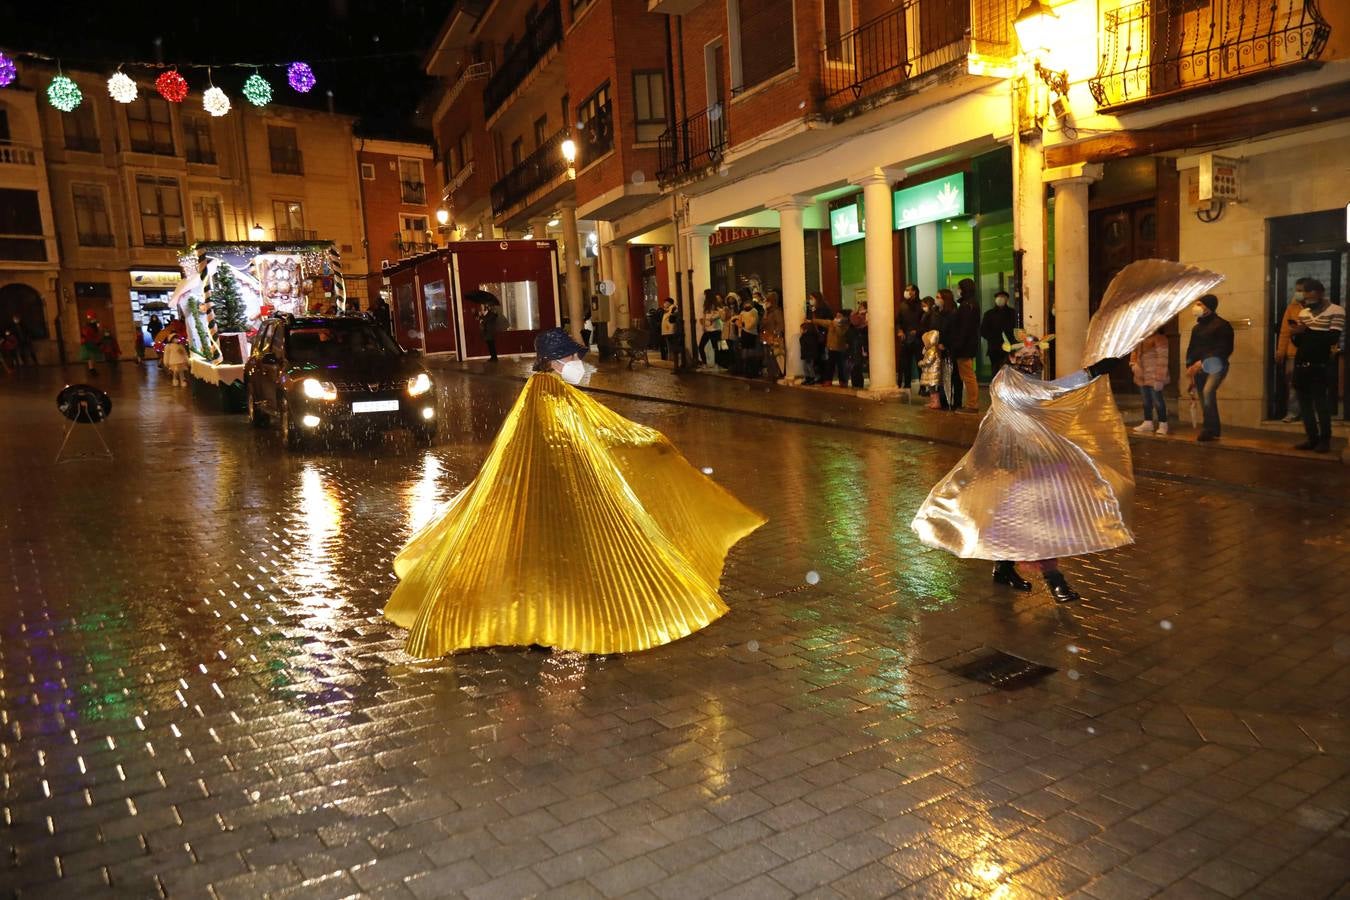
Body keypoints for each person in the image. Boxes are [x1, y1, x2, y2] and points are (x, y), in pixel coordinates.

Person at [382, 328, 766, 657]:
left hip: (538, 501)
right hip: (560, 501)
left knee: (538, 566)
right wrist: (650, 439)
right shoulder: (553, 395)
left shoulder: (536, 391)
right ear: (553, 361)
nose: (578, 363)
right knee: (580, 563)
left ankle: (538, 628)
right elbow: (601, 428)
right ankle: (581, 627)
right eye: (570, 357)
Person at [913, 260, 1223, 605]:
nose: (1032, 362)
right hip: (1008, 466)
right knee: (1033, 521)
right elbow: (1049, 393)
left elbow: (1049, 392)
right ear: (1013, 359)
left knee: (1021, 518)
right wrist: (1091, 372)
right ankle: (1054, 579)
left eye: (1036, 357)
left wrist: (1093, 372)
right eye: (1026, 357)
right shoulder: (1006, 383)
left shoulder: (1029, 381)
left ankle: (1004, 568)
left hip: (1032, 465)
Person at [1289, 279, 1344, 453]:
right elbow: (1300, 343)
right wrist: (1295, 334)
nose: (1305, 297)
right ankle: (1311, 438)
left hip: (1319, 365)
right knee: (1304, 405)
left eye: (1308, 293)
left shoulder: (1336, 310)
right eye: (1303, 294)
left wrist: (1306, 332)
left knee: (1321, 404)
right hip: (1301, 363)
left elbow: (1332, 338)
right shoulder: (1303, 312)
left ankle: (1325, 440)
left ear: (1319, 293)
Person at [1184, 293, 1234, 442]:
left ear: (1209, 307)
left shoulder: (1222, 325)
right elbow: (1191, 349)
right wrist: (1189, 365)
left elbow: (1224, 349)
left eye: (1200, 304)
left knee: (1207, 392)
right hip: (1199, 367)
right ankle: (1213, 429)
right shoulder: (1196, 328)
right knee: (1204, 397)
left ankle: (1208, 429)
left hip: (1216, 365)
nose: (1196, 307)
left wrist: (1202, 362)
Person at [1276, 278, 1308, 422]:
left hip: (1311, 353)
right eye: (1297, 290)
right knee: (1293, 383)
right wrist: (1280, 350)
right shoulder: (1292, 308)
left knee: (1311, 383)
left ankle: (1310, 413)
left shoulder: (1317, 308)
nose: (1298, 293)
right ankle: (1293, 412)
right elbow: (1284, 331)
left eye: (1301, 290)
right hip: (1293, 353)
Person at [1130, 328, 1170, 435]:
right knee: (1145, 400)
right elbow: (1133, 354)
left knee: (1157, 400)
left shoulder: (1160, 338)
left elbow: (1163, 359)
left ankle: (1163, 423)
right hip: (1141, 375)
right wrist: (1134, 365)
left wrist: (1159, 378)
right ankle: (1148, 422)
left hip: (1154, 375)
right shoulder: (1140, 339)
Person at [949, 279, 981, 413]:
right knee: (967, 375)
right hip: (967, 345)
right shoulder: (971, 304)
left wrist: (958, 345)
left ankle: (972, 404)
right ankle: (971, 403)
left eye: (959, 288)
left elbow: (964, 328)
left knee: (968, 376)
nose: (958, 290)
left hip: (964, 347)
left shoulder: (967, 305)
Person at [810, 308, 852, 387]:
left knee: (841, 366)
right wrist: (812, 320)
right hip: (831, 348)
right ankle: (828, 380)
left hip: (840, 349)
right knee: (830, 366)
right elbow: (823, 322)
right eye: (836, 315)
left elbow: (840, 334)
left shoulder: (845, 325)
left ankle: (843, 382)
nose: (837, 317)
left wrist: (836, 325)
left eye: (839, 316)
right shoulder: (831, 323)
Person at [980, 290, 1016, 377]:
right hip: (994, 348)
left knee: (1008, 371)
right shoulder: (989, 314)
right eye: (998, 297)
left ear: (1007, 299)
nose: (1000, 299)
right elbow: (983, 330)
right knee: (995, 371)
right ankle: (995, 385)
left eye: (1002, 297)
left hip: (1008, 347)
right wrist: (992, 338)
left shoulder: (1012, 313)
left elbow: (1015, 329)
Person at [896, 285, 923, 395]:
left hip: (918, 339)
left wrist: (918, 331)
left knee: (920, 363)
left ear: (914, 292)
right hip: (906, 338)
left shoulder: (921, 305)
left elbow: (924, 322)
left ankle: (923, 386)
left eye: (908, 290)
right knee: (906, 363)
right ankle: (907, 385)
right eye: (906, 290)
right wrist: (900, 331)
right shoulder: (902, 305)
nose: (906, 292)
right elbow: (898, 321)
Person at [933, 290, 957, 410]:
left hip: (948, 349)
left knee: (948, 376)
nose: (936, 299)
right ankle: (942, 401)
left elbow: (952, 332)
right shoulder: (937, 313)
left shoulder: (951, 314)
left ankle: (949, 401)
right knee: (941, 376)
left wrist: (945, 344)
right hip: (938, 348)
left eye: (938, 297)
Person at [761, 292, 785, 379]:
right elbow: (763, 323)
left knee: (775, 355)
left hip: (774, 337)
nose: (766, 303)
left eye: (768, 301)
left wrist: (775, 334)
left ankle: (777, 372)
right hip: (766, 336)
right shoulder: (767, 312)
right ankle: (771, 372)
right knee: (768, 356)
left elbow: (780, 324)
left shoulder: (776, 311)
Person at [697, 292, 723, 366]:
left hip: (715, 330)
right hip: (708, 330)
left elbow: (720, 313)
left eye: (706, 296)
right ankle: (705, 363)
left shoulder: (716, 305)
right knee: (701, 346)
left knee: (717, 347)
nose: (705, 298)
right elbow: (704, 316)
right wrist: (703, 326)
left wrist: (713, 318)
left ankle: (718, 364)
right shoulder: (706, 307)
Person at [918, 328, 942, 408]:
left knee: (932, 388)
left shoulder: (932, 351)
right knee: (931, 388)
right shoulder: (931, 350)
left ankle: (936, 402)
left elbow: (928, 361)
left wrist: (921, 363)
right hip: (930, 372)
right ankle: (933, 401)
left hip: (932, 373)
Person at [661, 298, 686, 370]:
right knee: (671, 348)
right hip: (667, 331)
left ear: (669, 303)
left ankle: (676, 366)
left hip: (672, 331)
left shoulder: (673, 308)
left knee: (674, 349)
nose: (664, 304)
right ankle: (674, 365)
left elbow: (673, 319)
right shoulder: (666, 310)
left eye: (666, 302)